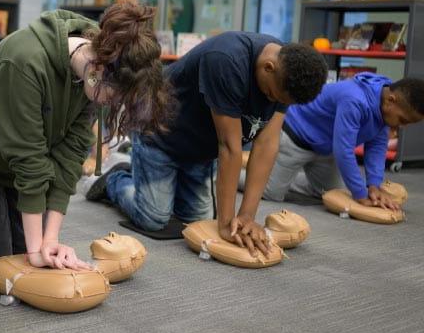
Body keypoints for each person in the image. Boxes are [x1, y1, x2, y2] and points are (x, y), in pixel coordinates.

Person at [0, 2, 171, 271]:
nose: (113, 105)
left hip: (20, 155)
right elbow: (27, 156)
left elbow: (71, 153)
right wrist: (35, 252)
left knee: (23, 246)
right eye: (116, 97)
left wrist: (49, 240)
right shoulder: (26, 60)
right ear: (98, 72)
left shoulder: (98, 60)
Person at [87, 31, 328, 256]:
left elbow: (266, 144)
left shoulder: (290, 70)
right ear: (268, 67)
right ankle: (116, 180)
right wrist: (225, 225)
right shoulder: (226, 61)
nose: (271, 101)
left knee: (197, 221)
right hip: (158, 134)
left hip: (200, 148)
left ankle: (159, 182)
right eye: (271, 95)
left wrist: (246, 217)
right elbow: (230, 148)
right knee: (155, 218)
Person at [261, 74, 424, 209]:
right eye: (403, 120)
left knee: (329, 193)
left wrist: (374, 185)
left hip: (325, 149)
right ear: (391, 100)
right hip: (296, 137)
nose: (403, 126)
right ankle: (251, 173)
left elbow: (377, 146)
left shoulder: (386, 101)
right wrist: (360, 194)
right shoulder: (354, 100)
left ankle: (276, 174)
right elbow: (343, 151)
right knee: (271, 194)